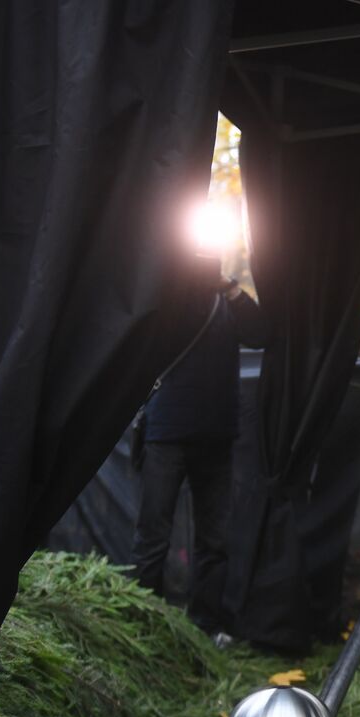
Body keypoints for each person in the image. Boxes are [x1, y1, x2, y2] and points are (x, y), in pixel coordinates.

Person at [131, 262, 267, 645]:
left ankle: (205, 627)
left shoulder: (227, 302)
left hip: (217, 435)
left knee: (215, 540)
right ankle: (145, 629)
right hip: (167, 432)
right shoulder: (167, 296)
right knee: (153, 536)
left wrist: (231, 289)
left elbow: (260, 334)